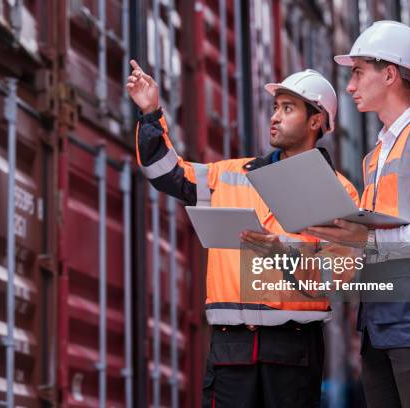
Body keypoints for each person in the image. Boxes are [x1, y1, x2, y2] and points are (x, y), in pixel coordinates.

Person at [127, 59, 359, 407]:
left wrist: (282, 251)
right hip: (230, 349)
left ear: (316, 121)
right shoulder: (231, 174)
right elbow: (165, 173)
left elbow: (343, 272)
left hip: (293, 349)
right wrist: (150, 113)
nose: (275, 117)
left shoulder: (339, 192)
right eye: (275, 107)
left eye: (288, 108)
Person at [304, 20, 410, 408]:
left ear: (390, 73)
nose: (350, 86)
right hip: (380, 323)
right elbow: (372, 243)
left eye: (358, 72)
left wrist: (369, 241)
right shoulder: (375, 158)